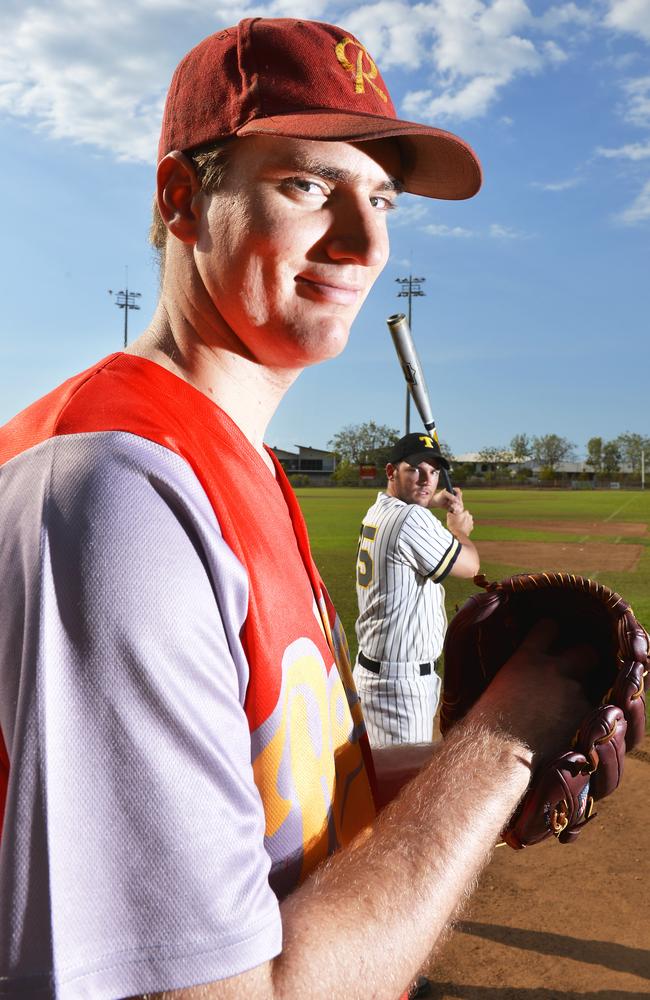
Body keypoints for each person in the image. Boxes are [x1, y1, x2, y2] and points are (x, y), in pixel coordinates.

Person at [0, 17, 593, 1000]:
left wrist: (495, 735)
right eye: (307, 186)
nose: (362, 241)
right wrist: (507, 742)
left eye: (381, 198)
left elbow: (290, 800)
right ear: (182, 199)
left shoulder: (224, 462)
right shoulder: (117, 488)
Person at [355, 433, 480, 746]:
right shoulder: (411, 519)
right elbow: (470, 566)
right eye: (415, 470)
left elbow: (408, 512)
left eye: (434, 472)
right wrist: (459, 531)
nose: (427, 479)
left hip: (375, 676)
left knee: (378, 781)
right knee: (404, 786)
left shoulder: (379, 510)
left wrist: (431, 499)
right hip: (400, 688)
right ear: (391, 471)